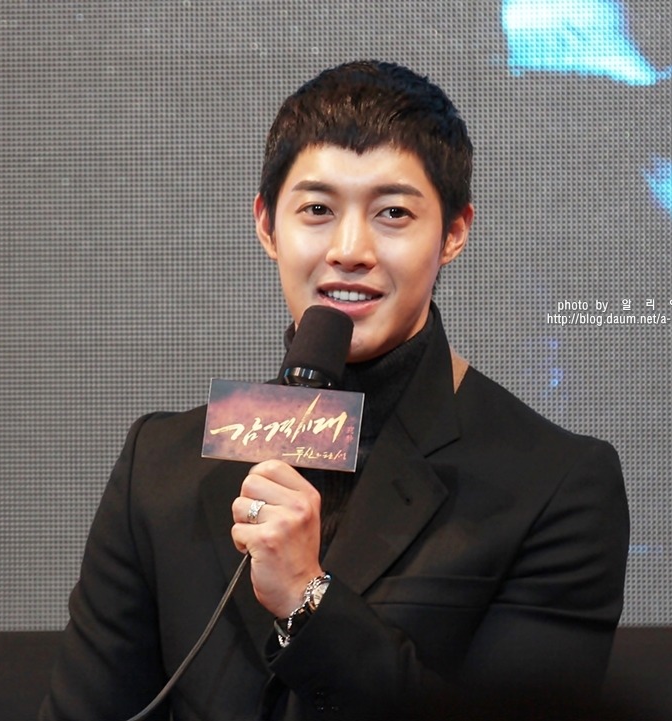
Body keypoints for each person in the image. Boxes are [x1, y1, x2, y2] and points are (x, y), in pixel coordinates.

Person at [40, 60, 630, 721]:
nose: (350, 249)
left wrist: (307, 596)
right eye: (317, 210)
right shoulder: (159, 466)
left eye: (393, 213)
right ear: (267, 225)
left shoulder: (555, 484)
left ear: (454, 233)